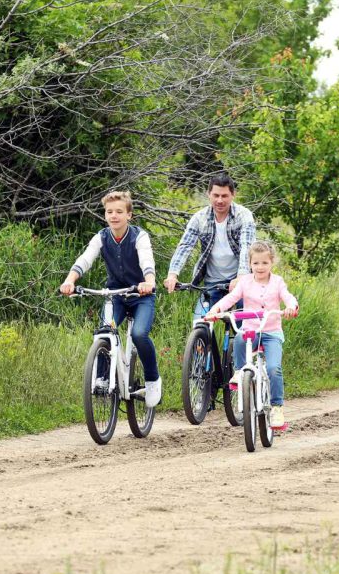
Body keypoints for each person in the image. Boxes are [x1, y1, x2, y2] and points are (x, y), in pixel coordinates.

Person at [60, 190, 162, 406]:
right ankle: (102, 379)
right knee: (104, 333)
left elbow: (146, 259)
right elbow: (86, 258)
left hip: (140, 295)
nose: (114, 216)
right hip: (115, 296)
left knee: (139, 334)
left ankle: (153, 380)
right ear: (105, 215)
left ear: (129, 215)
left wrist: (149, 281)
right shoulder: (101, 237)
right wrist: (70, 280)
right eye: (109, 212)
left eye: (119, 212)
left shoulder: (139, 236)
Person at [205, 241, 299, 431]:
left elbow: (287, 296)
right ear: (250, 264)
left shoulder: (278, 282)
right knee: (239, 338)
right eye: (256, 263)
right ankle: (240, 372)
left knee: (274, 368)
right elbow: (231, 298)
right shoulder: (245, 282)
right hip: (251, 331)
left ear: (272, 262)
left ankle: (277, 408)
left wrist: (291, 307)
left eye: (264, 263)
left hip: (271, 333)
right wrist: (216, 310)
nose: (260, 267)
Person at [162, 174, 257, 318]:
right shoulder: (200, 218)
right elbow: (185, 246)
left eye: (224, 196)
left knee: (243, 328)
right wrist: (172, 275)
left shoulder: (243, 215)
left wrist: (241, 277)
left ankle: (240, 339)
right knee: (200, 322)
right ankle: (206, 339)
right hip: (212, 282)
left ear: (233, 195)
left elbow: (247, 247)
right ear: (209, 195)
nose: (220, 200)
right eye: (216, 195)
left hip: (241, 280)